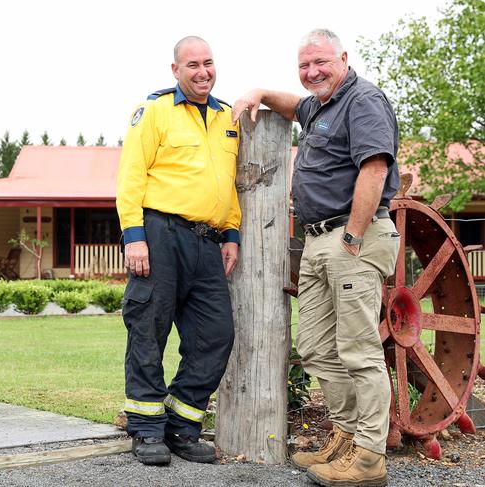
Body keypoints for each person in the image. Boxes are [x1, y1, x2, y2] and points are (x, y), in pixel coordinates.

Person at [233, 29, 399, 487]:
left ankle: (369, 456)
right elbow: (294, 105)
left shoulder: (363, 100)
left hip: (352, 238)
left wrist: (353, 236)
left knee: (360, 352)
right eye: (304, 66)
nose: (312, 73)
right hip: (318, 240)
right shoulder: (320, 107)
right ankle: (346, 436)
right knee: (316, 347)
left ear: (344, 58)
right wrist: (262, 92)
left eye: (321, 63)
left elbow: (375, 167)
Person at [116, 35, 241, 466]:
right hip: (159, 234)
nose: (202, 71)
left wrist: (232, 233)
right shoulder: (153, 111)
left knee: (216, 334)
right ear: (175, 71)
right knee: (149, 331)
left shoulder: (228, 117)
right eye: (192, 65)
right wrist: (134, 236)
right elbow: (130, 177)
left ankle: (181, 427)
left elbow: (227, 182)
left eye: (208, 63)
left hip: (207, 242)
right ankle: (147, 429)